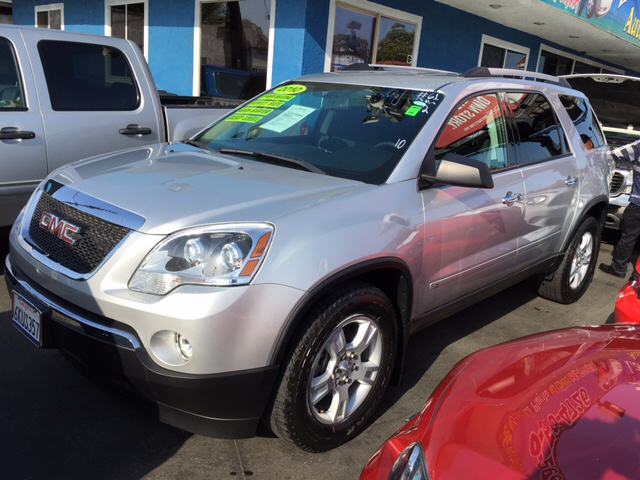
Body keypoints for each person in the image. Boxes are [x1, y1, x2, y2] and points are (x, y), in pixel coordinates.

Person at [599, 139, 640, 278]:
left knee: (628, 238)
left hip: (637, 205)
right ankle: (637, 278)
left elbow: (615, 153)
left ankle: (618, 269)